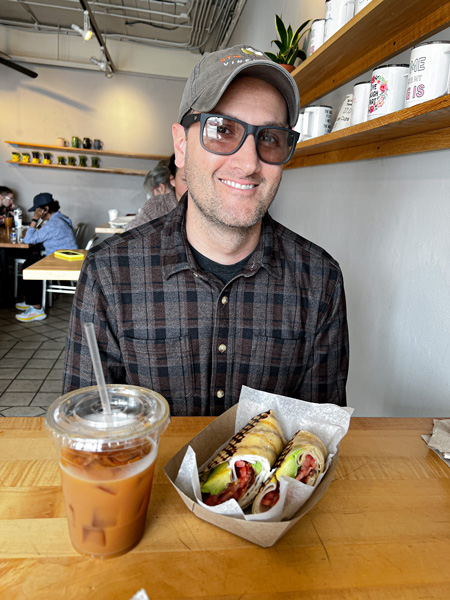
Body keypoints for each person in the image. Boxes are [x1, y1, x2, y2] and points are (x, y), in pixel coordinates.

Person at [63, 44, 349, 416]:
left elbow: (316, 437)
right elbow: (85, 427)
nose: (248, 164)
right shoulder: (109, 273)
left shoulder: (319, 281)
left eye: (270, 138)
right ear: (181, 147)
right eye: (222, 129)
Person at [15, 192, 78, 322]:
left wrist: (34, 220)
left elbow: (28, 240)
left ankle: (36, 309)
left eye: (37, 210)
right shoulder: (60, 218)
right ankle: (31, 300)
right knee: (31, 260)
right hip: (66, 257)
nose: (36, 213)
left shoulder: (53, 224)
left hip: (63, 261)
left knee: (30, 267)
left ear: (45, 210)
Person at [124, 154, 187, 231]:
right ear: (172, 180)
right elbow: (131, 232)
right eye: (185, 180)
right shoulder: (156, 206)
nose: (192, 186)